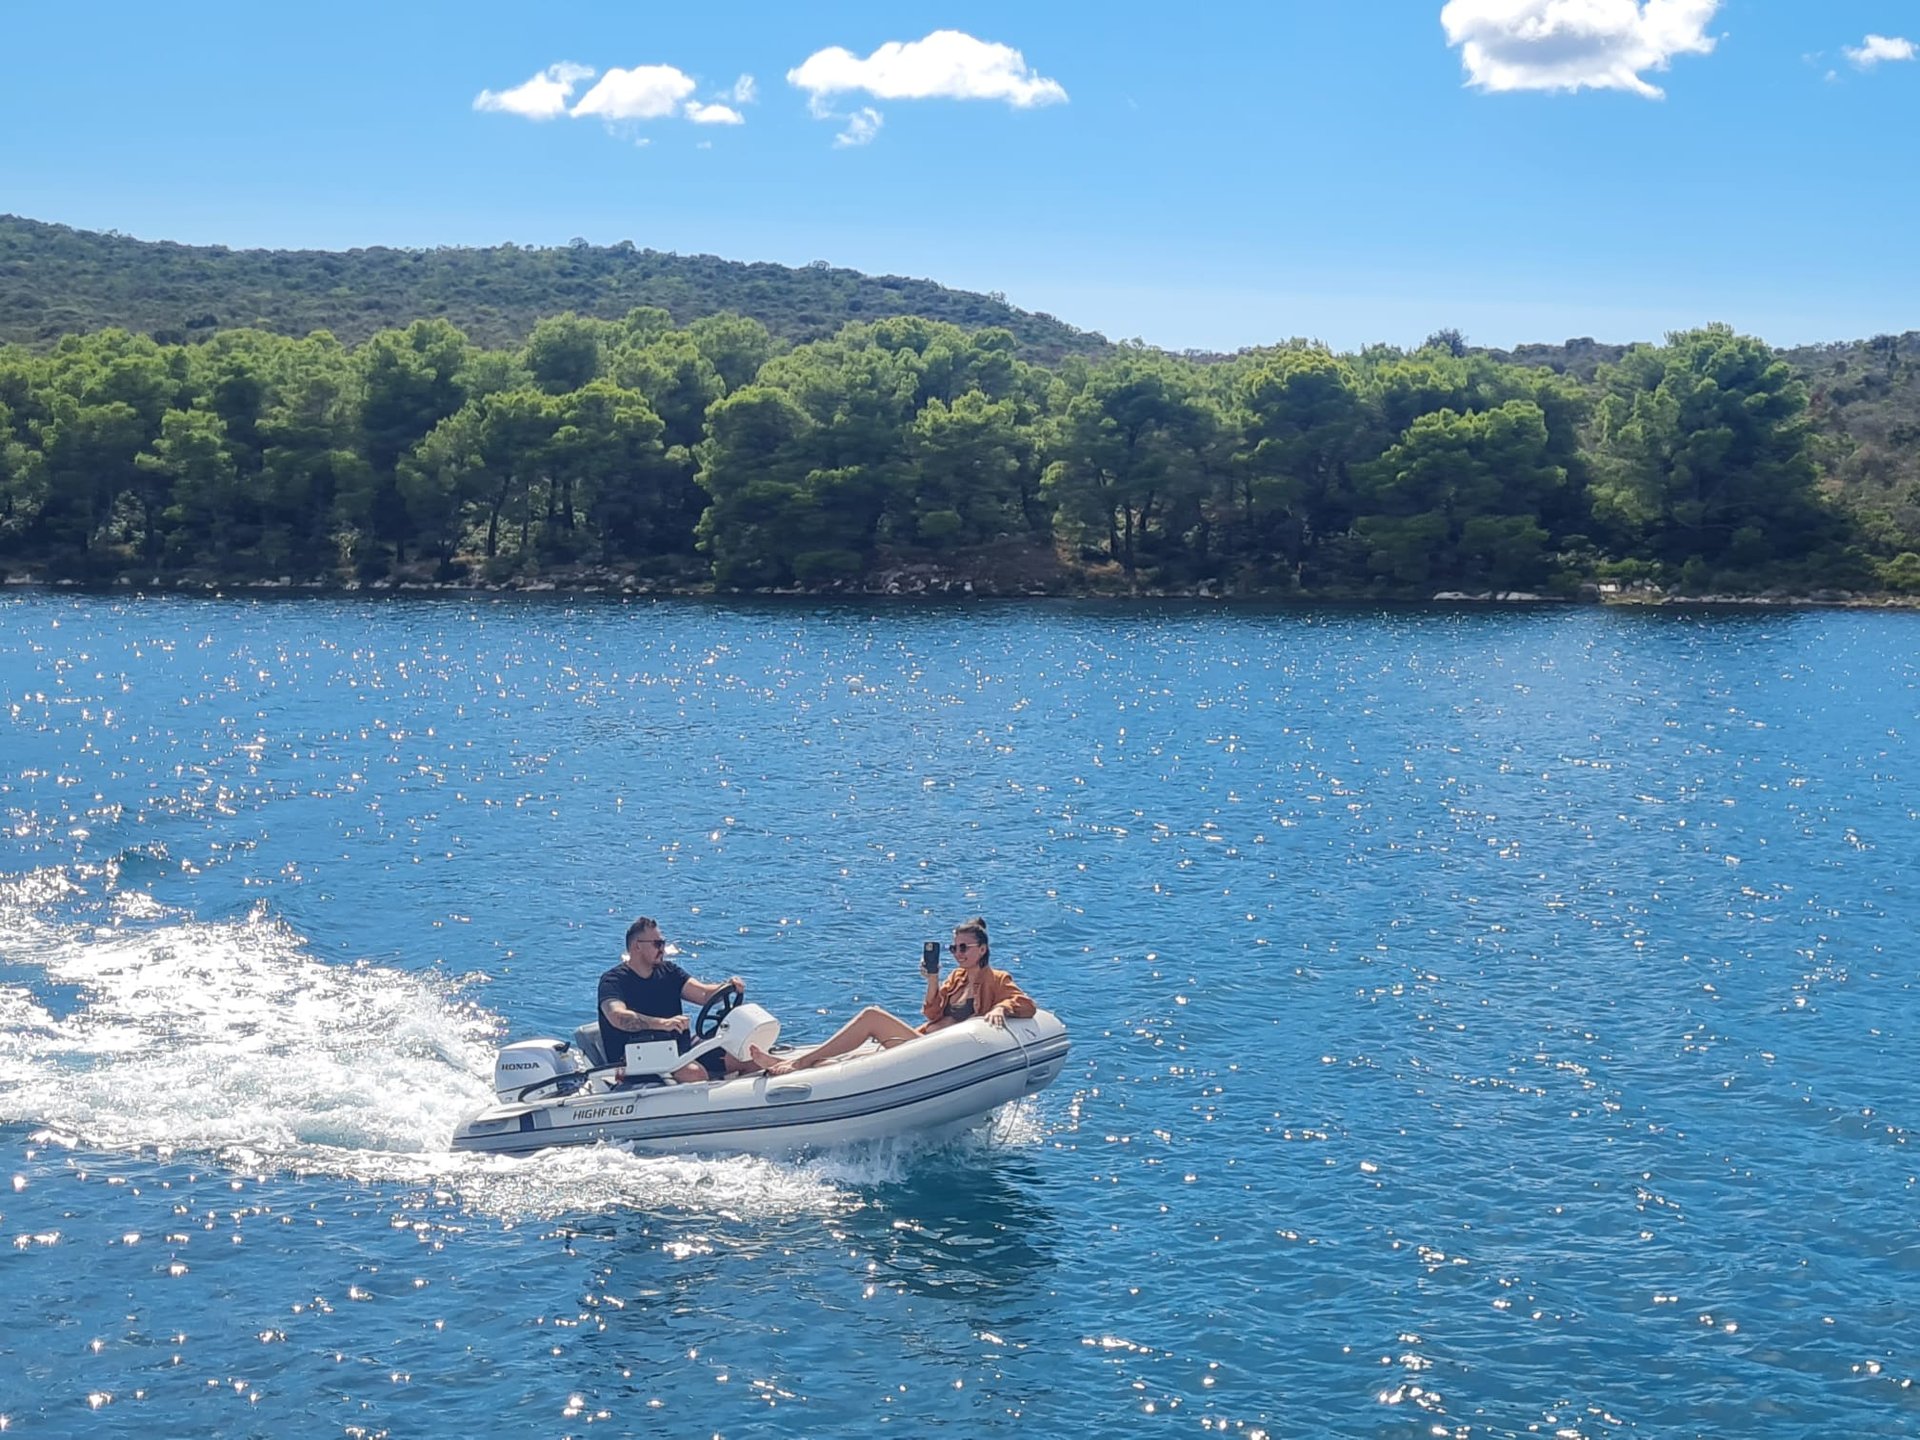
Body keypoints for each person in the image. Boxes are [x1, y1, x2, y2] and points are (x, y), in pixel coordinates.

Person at [752, 917, 1035, 1075]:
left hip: (944, 1053)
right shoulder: (956, 978)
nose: (958, 954)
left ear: (982, 949)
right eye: (954, 948)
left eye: (964, 948)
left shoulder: (996, 979)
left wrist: (1001, 1008)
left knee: (872, 1016)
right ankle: (796, 1064)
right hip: (925, 1041)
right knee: (858, 1059)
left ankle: (800, 1063)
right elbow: (932, 1014)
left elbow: (1025, 1004)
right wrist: (933, 979)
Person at [597, 916, 764, 1083]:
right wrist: (663, 1023)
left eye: (663, 943)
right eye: (657, 944)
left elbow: (704, 994)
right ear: (637, 946)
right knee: (694, 1074)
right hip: (636, 1058)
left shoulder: (669, 972)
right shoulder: (613, 981)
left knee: (750, 1060)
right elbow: (617, 1016)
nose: (662, 949)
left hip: (678, 1049)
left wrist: (728, 986)